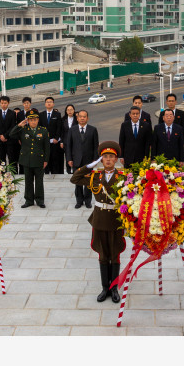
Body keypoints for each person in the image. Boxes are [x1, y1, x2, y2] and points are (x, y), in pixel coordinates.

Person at [71, 141, 126, 303]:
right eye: (105, 157)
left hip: (116, 219)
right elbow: (75, 178)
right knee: (103, 254)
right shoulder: (94, 176)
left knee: (115, 254)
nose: (108, 160)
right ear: (101, 160)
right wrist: (89, 166)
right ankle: (104, 288)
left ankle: (114, 288)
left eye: (111, 157)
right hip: (100, 219)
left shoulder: (124, 177)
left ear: (116, 159)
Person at [9, 109, 49, 208]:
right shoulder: (23, 130)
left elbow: (47, 147)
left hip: (39, 160)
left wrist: (46, 160)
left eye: (35, 120)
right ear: (28, 121)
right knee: (28, 181)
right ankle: (29, 200)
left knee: (39, 182)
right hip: (26, 160)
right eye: (31, 120)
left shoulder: (43, 131)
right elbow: (11, 134)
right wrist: (19, 125)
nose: (33, 122)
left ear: (38, 120)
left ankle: (40, 200)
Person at [66, 109, 99, 208]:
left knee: (89, 182)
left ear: (87, 118)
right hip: (76, 160)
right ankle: (79, 201)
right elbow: (69, 146)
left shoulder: (93, 129)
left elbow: (96, 146)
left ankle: (88, 201)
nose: (82, 118)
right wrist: (69, 159)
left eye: (84, 116)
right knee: (78, 181)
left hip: (89, 161)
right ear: (77, 118)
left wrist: (95, 159)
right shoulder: (72, 129)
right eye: (80, 116)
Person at [0, 96, 19, 170]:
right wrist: (1, 136)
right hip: (0, 140)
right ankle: (2, 174)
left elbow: (13, 126)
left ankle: (14, 173)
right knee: (1, 159)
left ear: (8, 103)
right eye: (2, 103)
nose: (3, 105)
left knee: (12, 158)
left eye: (5, 103)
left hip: (10, 140)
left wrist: (5, 136)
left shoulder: (12, 113)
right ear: (0, 103)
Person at [41, 97, 63, 175]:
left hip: (54, 141)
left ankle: (55, 174)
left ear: (53, 104)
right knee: (46, 159)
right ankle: (46, 173)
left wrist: (56, 138)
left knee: (55, 159)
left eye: (50, 102)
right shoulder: (41, 114)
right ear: (45, 104)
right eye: (47, 102)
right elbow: (40, 128)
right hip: (44, 142)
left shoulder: (57, 114)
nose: (49, 103)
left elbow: (59, 127)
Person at [61, 104, 77, 174]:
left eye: (71, 109)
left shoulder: (77, 119)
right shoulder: (63, 120)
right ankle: (68, 170)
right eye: (68, 110)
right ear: (66, 111)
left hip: (75, 141)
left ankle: (74, 169)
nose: (70, 111)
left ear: (74, 110)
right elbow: (61, 132)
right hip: (66, 141)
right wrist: (61, 142)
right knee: (67, 155)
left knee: (75, 155)